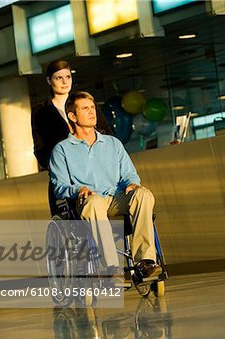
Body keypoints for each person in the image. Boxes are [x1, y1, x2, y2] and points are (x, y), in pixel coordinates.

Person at [49, 91, 162, 280]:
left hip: (117, 196)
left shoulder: (113, 143)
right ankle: (111, 267)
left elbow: (129, 173)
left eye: (93, 108)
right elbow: (59, 186)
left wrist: (132, 184)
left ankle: (145, 262)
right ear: (72, 116)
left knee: (144, 194)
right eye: (85, 108)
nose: (92, 112)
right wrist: (77, 189)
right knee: (93, 203)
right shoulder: (62, 150)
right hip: (89, 200)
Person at [32, 60, 111, 215]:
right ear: (49, 80)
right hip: (65, 173)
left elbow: (106, 132)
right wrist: (58, 166)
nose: (64, 82)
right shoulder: (42, 112)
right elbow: (40, 147)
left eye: (68, 77)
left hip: (96, 169)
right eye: (58, 78)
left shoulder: (84, 102)